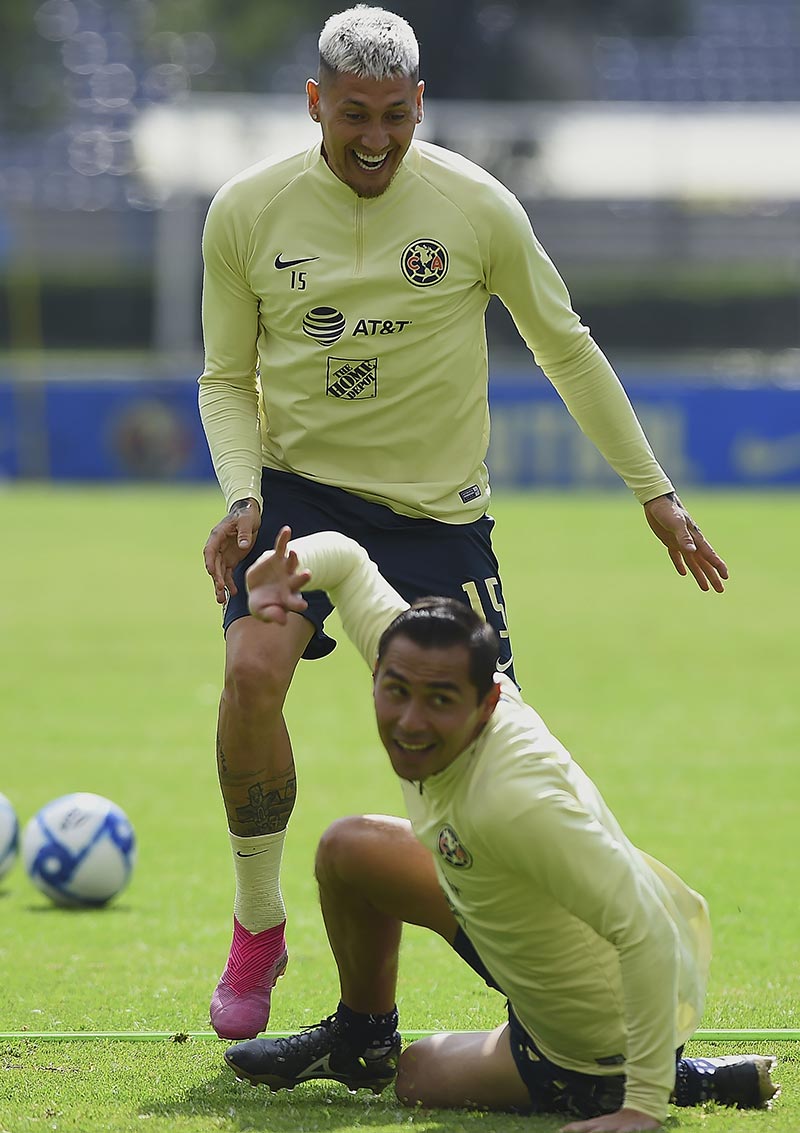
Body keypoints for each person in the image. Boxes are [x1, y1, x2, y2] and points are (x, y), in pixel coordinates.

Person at [198, 5, 729, 1041]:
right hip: (297, 491)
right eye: (352, 114)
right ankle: (259, 923)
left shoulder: (475, 206)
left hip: (440, 520)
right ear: (315, 101)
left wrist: (651, 490)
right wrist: (240, 493)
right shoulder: (245, 211)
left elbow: (564, 347)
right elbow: (226, 376)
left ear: (419, 105)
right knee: (252, 674)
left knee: (480, 775)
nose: (373, 139)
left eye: (394, 116)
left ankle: (567, 1007)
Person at [222, 528, 777, 1133]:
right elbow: (351, 564)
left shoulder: (517, 801)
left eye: (439, 701)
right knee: (350, 851)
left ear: (486, 705)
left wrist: (640, 1104)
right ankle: (362, 1037)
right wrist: (287, 566)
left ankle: (624, 1083)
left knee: (419, 1076)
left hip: (594, 1025)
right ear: (378, 668)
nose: (409, 721)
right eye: (396, 691)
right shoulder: (421, 658)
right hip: (523, 919)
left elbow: (648, 930)